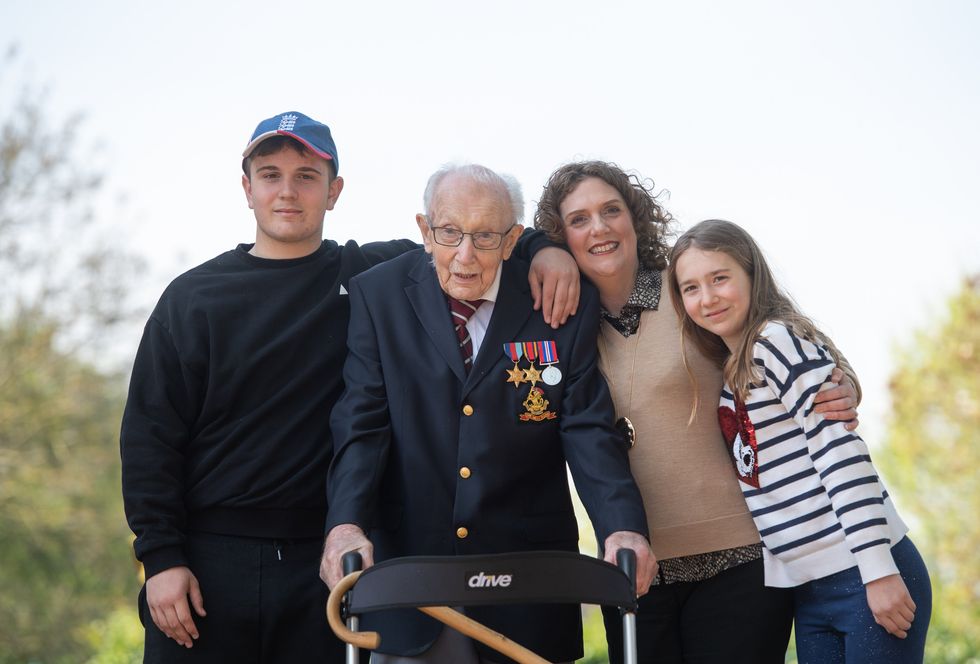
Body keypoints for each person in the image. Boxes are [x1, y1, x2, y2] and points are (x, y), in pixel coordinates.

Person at [120, 113, 578, 663]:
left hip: (329, 563)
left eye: (306, 176)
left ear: (334, 191)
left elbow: (473, 234)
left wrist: (545, 248)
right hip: (209, 561)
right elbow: (149, 436)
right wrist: (162, 557)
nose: (287, 191)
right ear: (247, 189)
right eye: (270, 175)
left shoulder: (369, 274)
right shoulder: (193, 298)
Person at [320, 163, 656, 664]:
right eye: (449, 232)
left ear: (512, 240)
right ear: (424, 230)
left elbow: (586, 426)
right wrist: (345, 525)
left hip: (528, 582)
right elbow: (362, 423)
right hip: (411, 577)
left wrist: (622, 526)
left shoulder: (557, 300)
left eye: (484, 236)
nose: (465, 254)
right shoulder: (378, 294)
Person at [533, 161, 862, 664]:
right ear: (561, 238)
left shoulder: (686, 289)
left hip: (740, 560)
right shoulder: (562, 322)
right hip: (633, 570)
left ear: (634, 218)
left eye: (611, 210)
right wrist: (537, 253)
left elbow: (780, 330)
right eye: (579, 220)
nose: (599, 227)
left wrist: (845, 381)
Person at [667, 218, 931, 663]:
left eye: (720, 278)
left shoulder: (775, 340)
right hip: (810, 589)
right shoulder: (735, 371)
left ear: (752, 274)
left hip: (864, 571)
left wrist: (878, 569)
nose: (707, 298)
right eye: (691, 288)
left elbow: (838, 453)